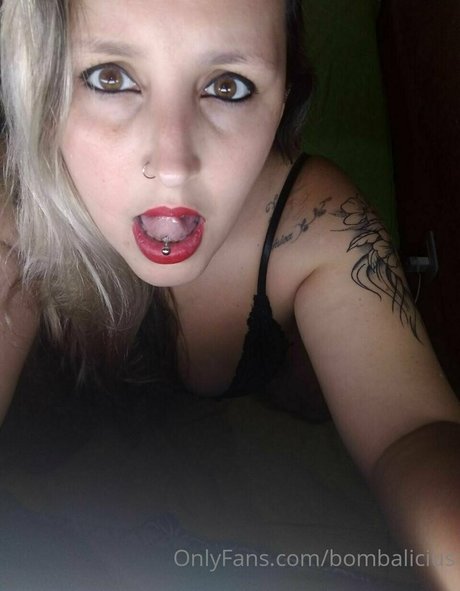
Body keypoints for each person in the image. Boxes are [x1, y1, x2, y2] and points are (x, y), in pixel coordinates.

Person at [0, 0, 459, 588]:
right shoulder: (16, 213)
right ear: (40, 84)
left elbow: (410, 431)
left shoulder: (313, 224)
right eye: (109, 78)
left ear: (285, 96)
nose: (174, 164)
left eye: (228, 86)